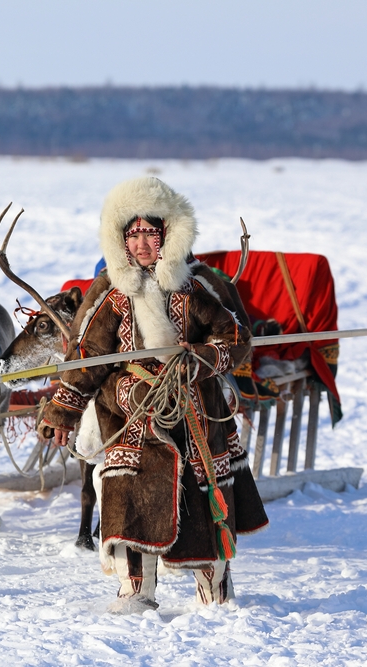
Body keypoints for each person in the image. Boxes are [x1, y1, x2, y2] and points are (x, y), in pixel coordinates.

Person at [38, 176, 268, 613]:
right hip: (129, 415)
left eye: (151, 233)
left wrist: (200, 357)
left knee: (205, 500)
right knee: (128, 499)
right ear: (120, 239)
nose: (142, 244)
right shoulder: (110, 291)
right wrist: (62, 409)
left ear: (168, 234)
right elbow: (87, 356)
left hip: (196, 412)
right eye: (133, 234)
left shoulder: (196, 284)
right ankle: (135, 590)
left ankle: (214, 589)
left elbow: (235, 337)